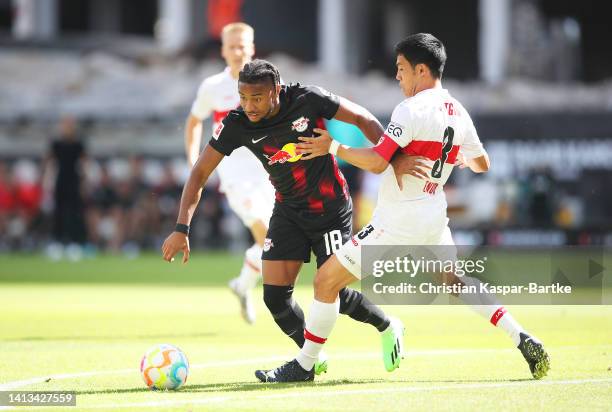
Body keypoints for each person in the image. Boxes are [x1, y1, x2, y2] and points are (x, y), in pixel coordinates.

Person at [257, 33, 550, 382]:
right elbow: (482, 162)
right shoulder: (458, 110)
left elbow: (380, 163)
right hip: (433, 214)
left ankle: (304, 365)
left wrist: (333, 147)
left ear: (421, 70)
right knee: (454, 281)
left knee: (325, 281)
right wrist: (449, 161)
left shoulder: (410, 109)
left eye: (400, 69)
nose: (397, 77)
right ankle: (521, 336)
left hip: (399, 219)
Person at [163, 59, 407, 376]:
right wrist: (181, 228)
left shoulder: (308, 98)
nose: (249, 105)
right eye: (243, 97)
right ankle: (311, 358)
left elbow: (363, 118)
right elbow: (199, 172)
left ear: (276, 90)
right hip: (288, 211)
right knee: (275, 297)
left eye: (257, 98)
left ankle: (387, 326)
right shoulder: (237, 123)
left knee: (337, 292)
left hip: (329, 209)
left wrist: (390, 159)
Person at [185, 23, 273, 324]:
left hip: (271, 174)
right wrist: (194, 162)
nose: (237, 52)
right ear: (223, 50)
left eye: (242, 46)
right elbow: (194, 121)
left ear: (252, 47)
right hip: (237, 179)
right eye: (232, 46)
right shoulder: (213, 87)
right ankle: (256, 290)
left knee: (276, 241)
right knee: (265, 232)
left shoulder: (269, 82)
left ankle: (243, 284)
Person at [41, 116, 88, 250]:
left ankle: (75, 242)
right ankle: (57, 241)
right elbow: (47, 160)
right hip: (61, 180)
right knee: (59, 212)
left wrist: (84, 182)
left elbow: (84, 163)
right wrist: (45, 179)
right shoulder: (56, 143)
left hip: (74, 180)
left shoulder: (78, 143)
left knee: (74, 213)